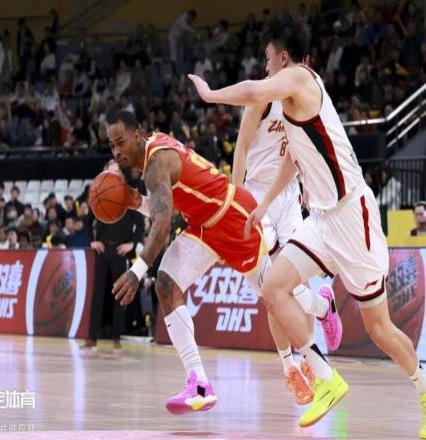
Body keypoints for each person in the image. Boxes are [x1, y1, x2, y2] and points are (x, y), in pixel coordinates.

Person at [188, 15, 426, 434]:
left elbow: (252, 91)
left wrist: (210, 94)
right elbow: (293, 157)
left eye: (267, 59)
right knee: (272, 288)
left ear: (283, 58)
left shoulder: (299, 79)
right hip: (321, 220)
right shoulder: (289, 100)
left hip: (352, 216)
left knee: (380, 330)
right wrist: (263, 204)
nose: (265, 67)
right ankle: (325, 378)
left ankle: (423, 388)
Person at [108, 111, 340, 415]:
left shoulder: (156, 162)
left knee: (276, 294)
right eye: (112, 146)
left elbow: (163, 224)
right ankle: (199, 385)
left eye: (121, 142)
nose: (117, 151)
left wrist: (136, 271)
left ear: (137, 135)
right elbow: (169, 206)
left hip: (232, 219)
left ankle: (322, 309)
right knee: (166, 283)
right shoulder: (153, 157)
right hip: (203, 227)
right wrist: (136, 201)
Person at [233, 95, 340, 403]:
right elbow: (241, 148)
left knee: (292, 281)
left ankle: (307, 361)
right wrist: (236, 199)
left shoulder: (302, 97)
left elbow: (302, 149)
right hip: (257, 195)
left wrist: (308, 185)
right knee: (272, 289)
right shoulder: (261, 100)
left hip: (289, 194)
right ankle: (315, 321)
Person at [83, 160, 144, 352]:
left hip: (120, 250)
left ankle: (117, 336)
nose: (114, 173)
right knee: (97, 294)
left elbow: (141, 223)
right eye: (110, 170)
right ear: (104, 173)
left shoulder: (127, 194)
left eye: (117, 170)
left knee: (119, 294)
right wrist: (91, 241)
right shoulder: (99, 194)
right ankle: (92, 337)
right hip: (102, 250)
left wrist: (132, 244)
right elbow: (86, 222)